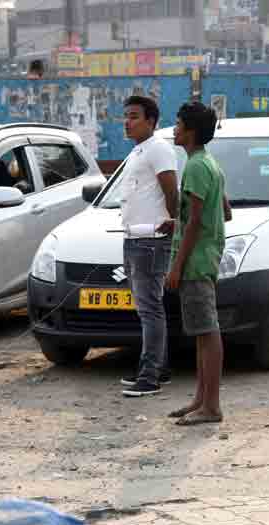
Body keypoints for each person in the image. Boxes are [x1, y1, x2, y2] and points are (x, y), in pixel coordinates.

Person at [165, 101, 225, 426]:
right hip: (205, 256)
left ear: (190, 131)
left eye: (178, 124)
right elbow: (224, 210)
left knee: (207, 330)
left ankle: (211, 406)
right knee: (202, 332)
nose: (174, 129)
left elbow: (196, 221)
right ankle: (201, 400)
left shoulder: (196, 167)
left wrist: (177, 266)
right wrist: (177, 221)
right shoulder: (207, 163)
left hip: (196, 261)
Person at [119, 95, 179, 397]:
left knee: (150, 308)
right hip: (134, 238)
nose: (127, 122)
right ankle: (158, 367)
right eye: (126, 116)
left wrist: (173, 221)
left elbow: (171, 190)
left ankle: (150, 376)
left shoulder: (158, 149)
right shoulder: (138, 151)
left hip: (151, 240)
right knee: (146, 308)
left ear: (151, 121)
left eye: (134, 117)